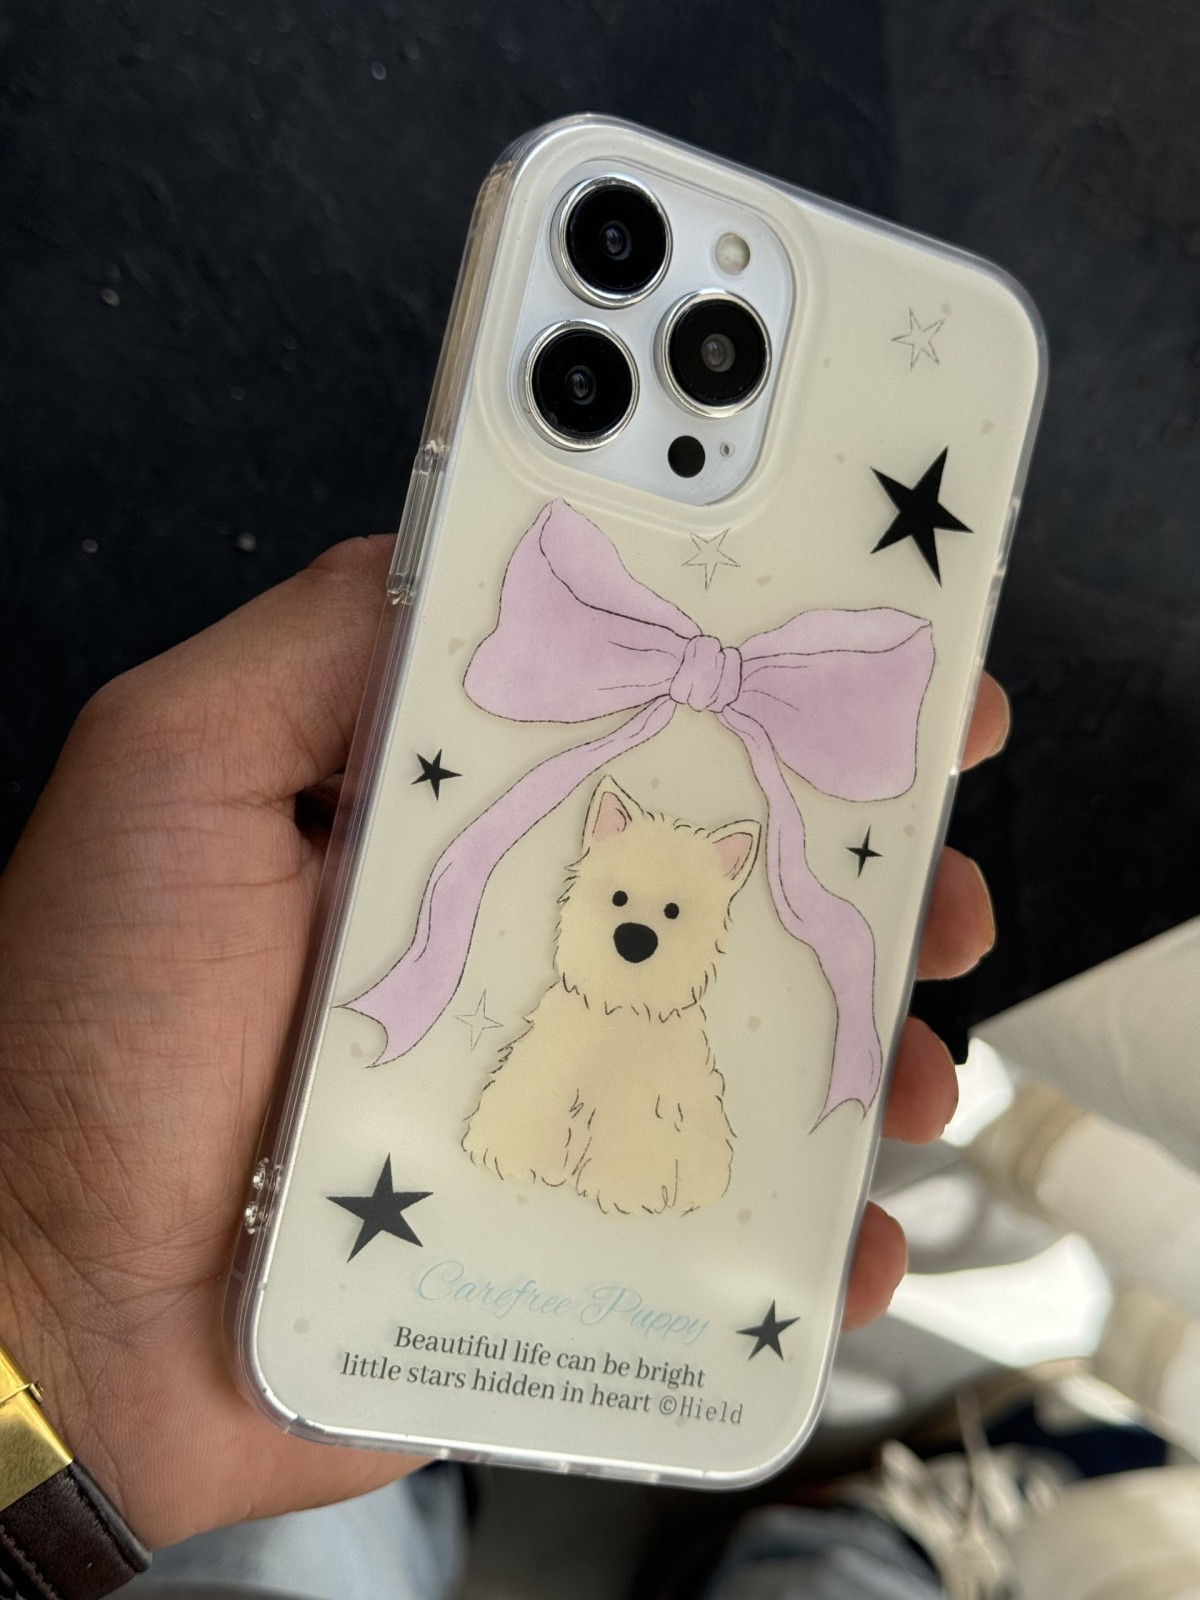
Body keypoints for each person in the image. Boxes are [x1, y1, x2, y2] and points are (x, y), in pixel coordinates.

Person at [0, 535, 1003, 1576]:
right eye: (623, 900)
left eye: (670, 913)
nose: (639, 926)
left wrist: (56, 1342)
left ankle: (434, 1482)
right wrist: (52, 1334)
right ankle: (838, 1550)